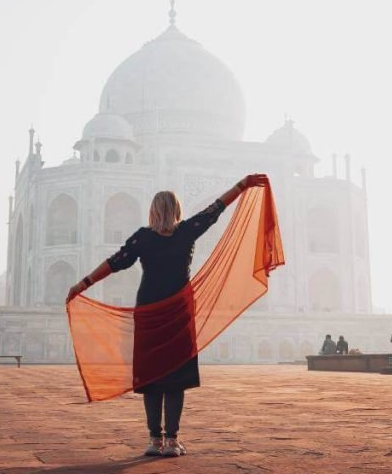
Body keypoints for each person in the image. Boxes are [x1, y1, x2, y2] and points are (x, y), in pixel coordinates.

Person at [66, 173, 267, 458]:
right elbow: (215, 210)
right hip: (177, 310)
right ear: (177, 210)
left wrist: (83, 283)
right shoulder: (186, 231)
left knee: (152, 375)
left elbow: (115, 262)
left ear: (152, 211)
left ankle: (154, 440)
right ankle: (172, 440)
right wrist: (242, 185)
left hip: (148, 309)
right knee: (175, 375)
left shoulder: (143, 238)